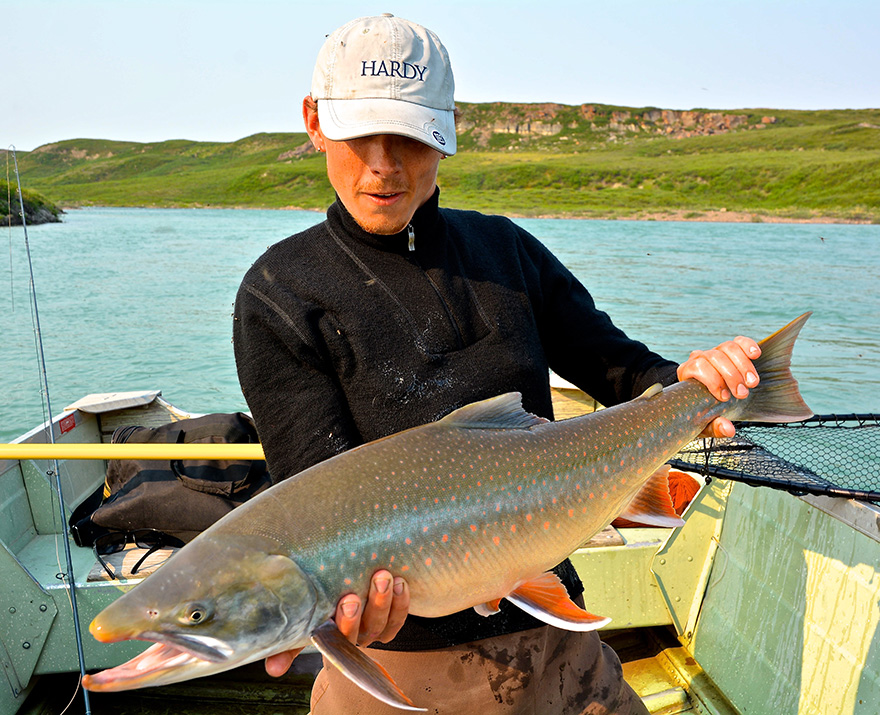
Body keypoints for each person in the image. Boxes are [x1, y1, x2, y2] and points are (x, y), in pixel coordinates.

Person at [233, 14, 761, 714]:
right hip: (388, 674)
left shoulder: (507, 254)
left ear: (446, 128)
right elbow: (317, 509)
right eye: (360, 133)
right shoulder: (279, 294)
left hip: (558, 645)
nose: (383, 164)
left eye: (409, 134)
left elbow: (625, 372)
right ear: (314, 121)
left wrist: (693, 384)